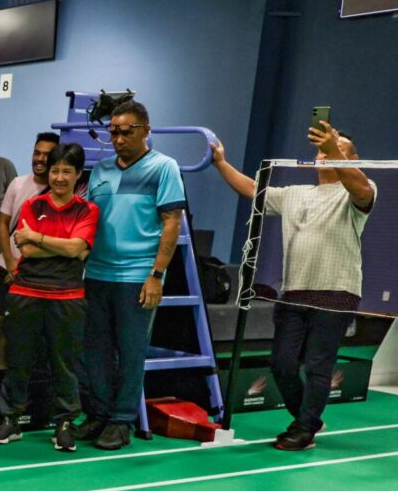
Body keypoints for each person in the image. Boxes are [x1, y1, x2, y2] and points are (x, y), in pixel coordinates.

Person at [210, 123, 375, 450]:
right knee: (281, 364)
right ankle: (308, 417)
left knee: (317, 365)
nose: (324, 155)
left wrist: (334, 150)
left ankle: (304, 428)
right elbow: (251, 189)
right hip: (294, 294)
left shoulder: (359, 189)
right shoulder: (296, 194)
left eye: (335, 150)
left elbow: (360, 189)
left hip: (337, 293)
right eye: (321, 151)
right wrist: (220, 163)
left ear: (351, 159)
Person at [76, 100, 185, 451]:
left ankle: (121, 420)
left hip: (137, 274)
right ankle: (97, 414)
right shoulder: (101, 169)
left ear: (146, 131)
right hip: (97, 272)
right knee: (94, 351)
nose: (119, 139)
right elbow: (90, 217)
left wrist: (156, 274)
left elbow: (172, 222)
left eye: (127, 132)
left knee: (130, 351)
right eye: (114, 133)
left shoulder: (164, 167)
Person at [0, 143, 99, 452]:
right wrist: (63, 245)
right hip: (26, 293)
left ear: (78, 175)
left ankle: (64, 423)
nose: (59, 177)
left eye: (67, 171)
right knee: (19, 359)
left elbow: (77, 249)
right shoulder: (32, 205)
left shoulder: (88, 210)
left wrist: (39, 237)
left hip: (68, 297)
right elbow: (26, 250)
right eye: (55, 171)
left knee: (64, 363)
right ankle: (11, 420)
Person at [0, 132, 60, 368]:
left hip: (35, 270)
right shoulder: (18, 183)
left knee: (26, 328)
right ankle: (1, 369)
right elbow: (2, 223)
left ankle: (26, 373)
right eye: (36, 153)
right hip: (4, 264)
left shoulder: (58, 191)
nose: (40, 159)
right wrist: (10, 262)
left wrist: (21, 267)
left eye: (46, 155)